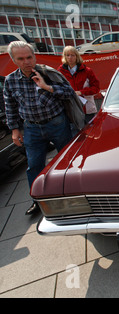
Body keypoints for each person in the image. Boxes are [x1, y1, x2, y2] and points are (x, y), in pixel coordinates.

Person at [3, 41, 74, 215]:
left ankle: (71, 196)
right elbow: (10, 106)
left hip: (57, 123)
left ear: (34, 56)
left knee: (66, 161)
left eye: (29, 57)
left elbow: (69, 93)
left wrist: (46, 87)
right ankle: (38, 200)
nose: (26, 62)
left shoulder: (49, 73)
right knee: (34, 165)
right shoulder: (11, 81)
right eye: (21, 59)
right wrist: (14, 130)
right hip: (32, 128)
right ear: (14, 60)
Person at [57, 46, 100, 123]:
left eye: (73, 55)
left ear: (77, 56)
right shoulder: (60, 71)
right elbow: (57, 89)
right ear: (64, 57)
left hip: (87, 109)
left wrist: (81, 92)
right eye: (67, 55)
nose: (70, 57)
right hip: (70, 110)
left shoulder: (87, 71)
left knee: (89, 132)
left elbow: (96, 88)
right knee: (75, 134)